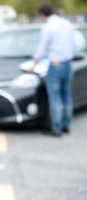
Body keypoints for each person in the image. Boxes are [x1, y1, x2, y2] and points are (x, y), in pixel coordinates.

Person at [28, 3, 75, 137]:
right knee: (67, 96)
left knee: (54, 98)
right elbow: (72, 44)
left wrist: (33, 65)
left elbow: (41, 49)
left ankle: (56, 129)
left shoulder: (48, 27)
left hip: (55, 65)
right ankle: (66, 125)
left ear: (42, 14)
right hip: (67, 63)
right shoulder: (66, 24)